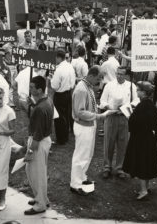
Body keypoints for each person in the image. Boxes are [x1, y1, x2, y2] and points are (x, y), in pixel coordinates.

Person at [70, 66, 115, 196]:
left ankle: (82, 178)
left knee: (88, 155)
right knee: (81, 156)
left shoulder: (87, 85)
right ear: (91, 75)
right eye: (98, 78)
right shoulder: (81, 89)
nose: (99, 81)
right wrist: (99, 116)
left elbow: (90, 105)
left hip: (89, 125)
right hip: (83, 126)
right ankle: (75, 184)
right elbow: (80, 112)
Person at [123, 81, 157, 200]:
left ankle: (143, 190)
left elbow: (137, 123)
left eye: (138, 90)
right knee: (147, 162)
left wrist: (130, 117)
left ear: (143, 92)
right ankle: (146, 187)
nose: (136, 92)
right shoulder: (150, 105)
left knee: (142, 163)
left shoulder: (143, 106)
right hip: (148, 138)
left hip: (141, 139)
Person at [100, 67, 137, 178]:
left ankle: (120, 168)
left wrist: (127, 106)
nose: (119, 76)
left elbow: (136, 100)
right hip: (111, 116)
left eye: (122, 74)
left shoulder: (131, 86)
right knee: (108, 142)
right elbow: (102, 100)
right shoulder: (109, 85)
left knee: (123, 143)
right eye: (118, 74)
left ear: (126, 75)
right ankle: (107, 166)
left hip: (124, 117)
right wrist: (107, 106)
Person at [24, 76, 54, 215]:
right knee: (40, 172)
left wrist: (30, 151)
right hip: (45, 140)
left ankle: (40, 204)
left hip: (38, 142)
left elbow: (37, 134)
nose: (29, 89)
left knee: (35, 174)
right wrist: (32, 105)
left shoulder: (40, 109)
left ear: (39, 89)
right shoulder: (47, 100)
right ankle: (42, 198)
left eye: (31, 87)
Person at [50, 50, 76, 145]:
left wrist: (51, 79)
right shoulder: (70, 66)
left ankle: (61, 139)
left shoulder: (59, 69)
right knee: (66, 115)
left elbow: (54, 86)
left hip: (60, 95)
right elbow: (73, 81)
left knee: (59, 117)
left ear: (58, 57)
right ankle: (65, 137)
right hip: (68, 93)